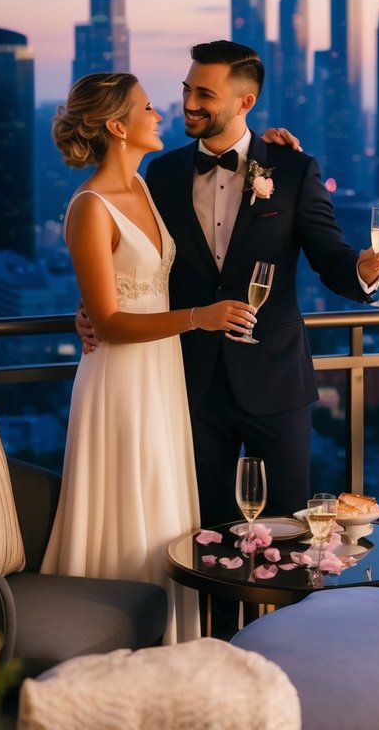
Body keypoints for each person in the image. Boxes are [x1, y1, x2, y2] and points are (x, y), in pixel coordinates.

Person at [77, 41, 379, 532]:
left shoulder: (292, 169)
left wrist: (366, 269)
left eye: (204, 93)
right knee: (204, 539)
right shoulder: (159, 173)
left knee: (288, 534)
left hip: (276, 383)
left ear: (244, 102)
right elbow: (126, 250)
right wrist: (91, 308)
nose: (187, 103)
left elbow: (331, 260)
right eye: (186, 88)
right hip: (188, 386)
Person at [40, 71, 256, 644]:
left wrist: (274, 141)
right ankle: (110, 646)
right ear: (117, 125)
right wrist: (199, 318)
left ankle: (171, 653)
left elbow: (130, 287)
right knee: (127, 508)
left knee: (162, 506)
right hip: (120, 382)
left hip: (161, 377)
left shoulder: (143, 189)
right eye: (147, 108)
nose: (162, 114)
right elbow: (108, 321)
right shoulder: (90, 207)